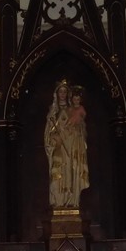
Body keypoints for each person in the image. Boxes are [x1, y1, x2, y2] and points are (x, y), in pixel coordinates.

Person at [44, 80, 89, 208]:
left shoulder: (72, 110)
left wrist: (72, 136)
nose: (62, 94)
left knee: (71, 172)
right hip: (58, 148)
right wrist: (54, 138)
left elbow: (79, 130)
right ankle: (58, 201)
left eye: (65, 91)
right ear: (56, 94)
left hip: (70, 148)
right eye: (60, 91)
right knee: (57, 174)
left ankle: (70, 200)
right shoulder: (52, 112)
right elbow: (48, 133)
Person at [67, 86, 89, 208]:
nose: (76, 101)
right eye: (74, 99)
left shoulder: (81, 109)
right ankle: (70, 197)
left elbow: (82, 120)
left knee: (77, 167)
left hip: (78, 140)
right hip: (70, 141)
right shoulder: (69, 109)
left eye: (78, 99)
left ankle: (76, 198)